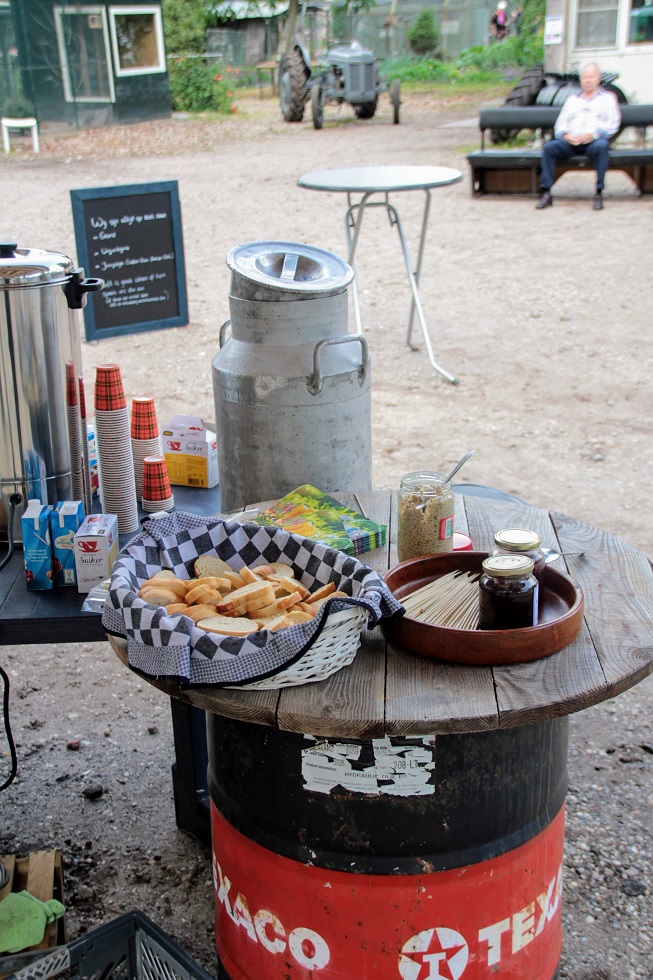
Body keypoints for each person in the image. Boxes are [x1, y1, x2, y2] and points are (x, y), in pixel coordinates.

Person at [536, 63, 621, 210]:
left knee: (601, 147)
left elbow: (613, 123)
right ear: (581, 80)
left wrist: (594, 135)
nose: (587, 80)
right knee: (549, 148)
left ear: (598, 79)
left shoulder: (608, 99)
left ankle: (598, 192)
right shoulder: (572, 100)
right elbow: (560, 124)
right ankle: (546, 192)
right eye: (584, 77)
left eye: (591, 77)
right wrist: (566, 136)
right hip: (571, 141)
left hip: (593, 141)